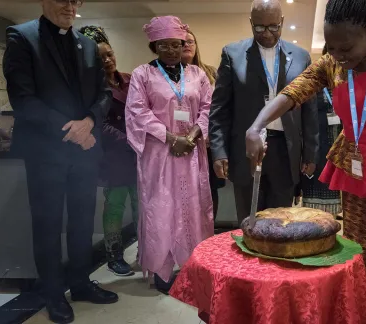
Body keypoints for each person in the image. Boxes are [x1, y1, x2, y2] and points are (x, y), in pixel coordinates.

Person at [244, 0, 366, 322]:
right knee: (359, 254)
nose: (338, 55)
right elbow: (291, 93)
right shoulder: (332, 64)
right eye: (331, 47)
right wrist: (256, 126)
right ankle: (364, 315)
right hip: (355, 170)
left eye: (346, 47)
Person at [2, 0, 118, 322]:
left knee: (82, 221)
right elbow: (23, 98)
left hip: (85, 148)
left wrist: (90, 122)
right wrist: (73, 129)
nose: (69, 5)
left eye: (75, 0)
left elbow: (104, 92)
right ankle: (53, 293)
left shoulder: (88, 44)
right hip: (45, 151)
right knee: (48, 225)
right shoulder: (21, 37)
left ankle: (80, 283)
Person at [209, 0, 319, 224]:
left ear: (282, 22)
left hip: (285, 150)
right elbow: (220, 109)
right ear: (251, 23)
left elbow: (309, 109)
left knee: (281, 220)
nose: (267, 33)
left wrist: (310, 152)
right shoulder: (233, 54)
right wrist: (219, 151)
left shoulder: (300, 56)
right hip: (246, 150)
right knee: (249, 220)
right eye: (259, 27)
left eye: (273, 27)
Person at [125, 16, 214, 293]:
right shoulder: (143, 74)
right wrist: (170, 137)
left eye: (177, 44)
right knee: (161, 209)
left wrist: (191, 136)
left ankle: (193, 266)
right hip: (159, 155)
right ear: (155, 46)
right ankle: (163, 271)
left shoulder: (197, 75)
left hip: (191, 153)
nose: (172, 51)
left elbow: (209, 109)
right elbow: (137, 111)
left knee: (192, 207)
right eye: (165, 45)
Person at [79, 25, 138, 277]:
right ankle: (114, 255)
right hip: (113, 154)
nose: (107, 60)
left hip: (139, 154)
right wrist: (127, 139)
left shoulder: (131, 79)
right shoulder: (92, 87)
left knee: (141, 203)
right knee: (114, 205)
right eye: (100, 57)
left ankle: (145, 249)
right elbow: (99, 124)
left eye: (110, 54)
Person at [181, 30, 225, 219]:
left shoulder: (210, 72)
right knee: (183, 191)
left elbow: (218, 108)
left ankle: (207, 232)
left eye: (191, 41)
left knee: (209, 189)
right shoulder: (166, 73)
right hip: (181, 142)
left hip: (207, 143)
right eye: (182, 42)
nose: (187, 45)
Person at [298, 44, 342, 214]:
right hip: (319, 143)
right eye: (331, 54)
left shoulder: (349, 82)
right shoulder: (314, 83)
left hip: (342, 143)